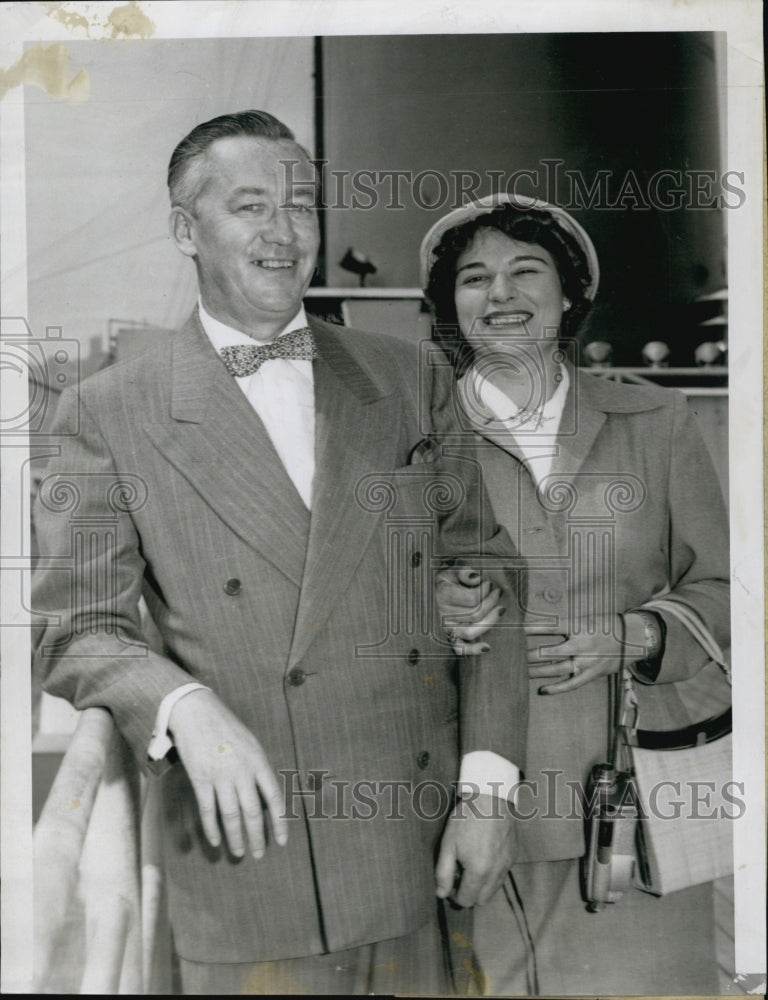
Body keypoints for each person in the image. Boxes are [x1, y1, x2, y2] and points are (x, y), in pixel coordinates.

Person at [31, 113, 529, 996]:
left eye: (302, 205)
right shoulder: (108, 410)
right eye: (250, 206)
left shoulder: (409, 377)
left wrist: (488, 793)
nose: (283, 232)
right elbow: (78, 634)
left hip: (421, 851)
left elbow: (492, 579)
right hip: (248, 866)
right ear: (187, 230)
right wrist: (183, 705)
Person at [420, 193, 731, 995]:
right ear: (451, 308)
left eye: (527, 271)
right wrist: (433, 610)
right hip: (470, 801)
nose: (502, 294)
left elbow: (730, 589)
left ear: (570, 297)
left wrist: (640, 634)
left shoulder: (656, 419)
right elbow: (358, 600)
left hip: (631, 800)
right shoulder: (410, 436)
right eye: (474, 278)